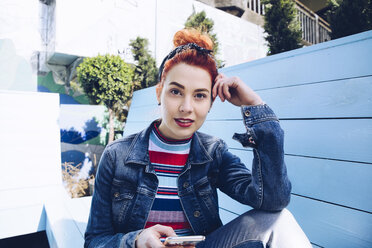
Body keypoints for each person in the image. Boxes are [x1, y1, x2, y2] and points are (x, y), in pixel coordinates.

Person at [85, 29, 311, 248]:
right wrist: (136, 240)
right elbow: (95, 240)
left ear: (211, 102)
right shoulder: (117, 155)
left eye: (200, 95)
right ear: (159, 93)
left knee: (280, 220)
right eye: (176, 92)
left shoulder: (214, 153)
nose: (186, 107)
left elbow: (272, 201)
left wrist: (255, 107)